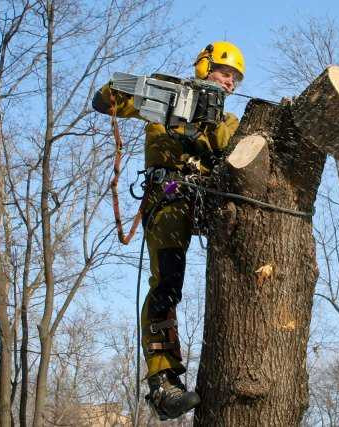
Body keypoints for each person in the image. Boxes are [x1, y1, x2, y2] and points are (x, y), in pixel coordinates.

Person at [92, 41, 245, 420]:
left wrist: (210, 130)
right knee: (167, 284)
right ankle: (163, 383)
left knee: (245, 265)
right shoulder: (167, 100)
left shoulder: (228, 123)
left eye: (236, 79)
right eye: (225, 73)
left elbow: (238, 158)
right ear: (205, 66)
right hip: (171, 197)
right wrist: (153, 92)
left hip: (211, 202)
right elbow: (105, 100)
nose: (230, 82)